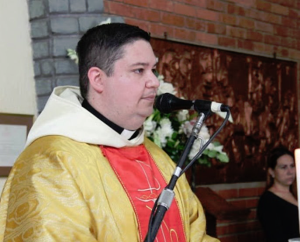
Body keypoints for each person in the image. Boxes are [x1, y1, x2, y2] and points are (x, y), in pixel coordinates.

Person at [0, 23, 218, 241]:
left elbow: (194, 232)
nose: (153, 81)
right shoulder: (51, 161)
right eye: (139, 70)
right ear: (98, 79)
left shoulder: (155, 156)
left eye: (153, 70)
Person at [257, 146, 299, 242]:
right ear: (272, 172)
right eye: (283, 167)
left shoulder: (296, 194)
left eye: (292, 166)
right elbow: (276, 237)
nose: (290, 172)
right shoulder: (268, 201)